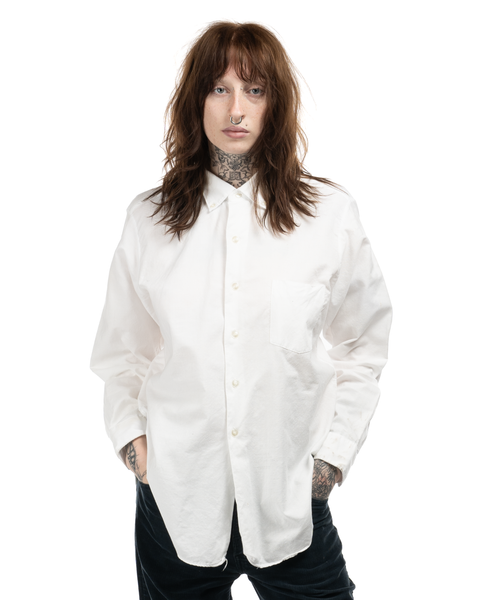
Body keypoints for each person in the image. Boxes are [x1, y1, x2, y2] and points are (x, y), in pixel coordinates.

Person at [90, 20, 392, 600]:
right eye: (218, 88)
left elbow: (364, 344)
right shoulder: (148, 221)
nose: (236, 109)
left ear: (276, 104)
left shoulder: (328, 216)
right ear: (195, 100)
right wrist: (136, 448)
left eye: (255, 90)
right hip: (176, 503)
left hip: (289, 504)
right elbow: (122, 352)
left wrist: (330, 462)